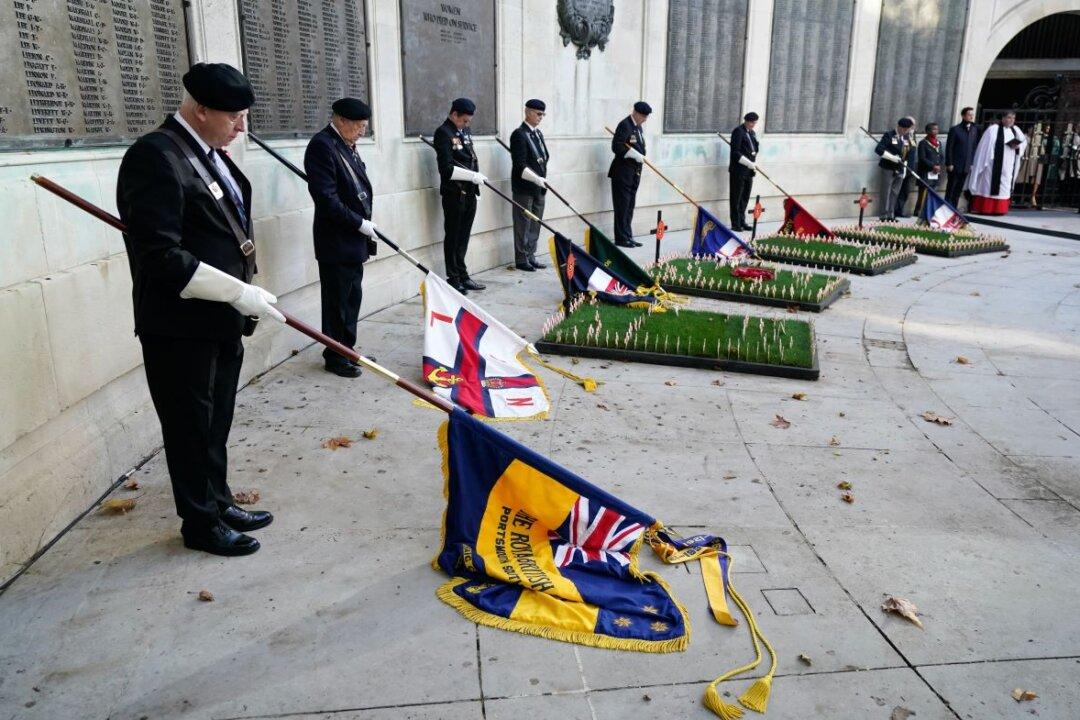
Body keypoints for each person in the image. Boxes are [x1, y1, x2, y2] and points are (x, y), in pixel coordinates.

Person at [116, 63, 281, 557]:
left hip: (220, 320)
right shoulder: (156, 157)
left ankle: (217, 497)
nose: (241, 127)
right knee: (189, 427)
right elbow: (160, 254)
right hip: (179, 325)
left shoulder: (208, 153)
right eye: (233, 116)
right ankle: (200, 523)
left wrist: (241, 293)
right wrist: (234, 290)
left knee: (216, 420)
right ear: (199, 108)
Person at [304, 98, 377, 379]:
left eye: (364, 127)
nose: (361, 131)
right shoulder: (323, 146)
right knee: (336, 302)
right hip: (337, 239)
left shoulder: (345, 145)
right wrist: (359, 223)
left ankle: (347, 349)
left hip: (354, 239)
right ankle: (334, 356)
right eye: (358, 126)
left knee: (351, 298)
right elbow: (326, 198)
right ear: (341, 120)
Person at [434, 98, 487, 294]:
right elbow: (446, 169)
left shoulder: (463, 131)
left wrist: (476, 185)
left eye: (468, 122)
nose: (466, 125)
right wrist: (472, 176)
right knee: (454, 236)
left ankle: (463, 275)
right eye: (464, 120)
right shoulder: (443, 133)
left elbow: (472, 159)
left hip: (470, 193)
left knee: (463, 237)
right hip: (454, 194)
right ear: (454, 114)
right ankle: (453, 278)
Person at [509, 99, 550, 271]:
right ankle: (521, 258)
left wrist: (541, 180)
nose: (541, 117)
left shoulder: (537, 134)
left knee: (535, 223)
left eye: (543, 114)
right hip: (524, 187)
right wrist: (535, 178)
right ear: (528, 112)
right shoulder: (519, 134)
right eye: (538, 114)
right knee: (523, 224)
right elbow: (520, 165)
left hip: (539, 187)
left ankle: (531, 254)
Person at [966, 111, 1028, 215]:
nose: (1011, 120)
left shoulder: (1015, 130)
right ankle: (986, 208)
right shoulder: (993, 129)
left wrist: (1018, 147)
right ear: (1003, 118)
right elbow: (985, 147)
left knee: (1004, 186)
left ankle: (1000, 209)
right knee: (988, 185)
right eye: (1009, 117)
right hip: (992, 164)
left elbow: (1023, 142)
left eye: (1013, 118)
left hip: (1008, 165)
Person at [608, 101, 651, 248]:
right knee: (622, 206)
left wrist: (640, 156)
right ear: (636, 113)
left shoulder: (638, 127)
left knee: (630, 206)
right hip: (622, 173)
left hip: (634, 173)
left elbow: (638, 145)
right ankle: (621, 238)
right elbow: (617, 146)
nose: (645, 119)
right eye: (643, 116)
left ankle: (628, 235)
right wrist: (632, 154)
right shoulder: (625, 125)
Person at [875, 117, 915, 222]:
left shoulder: (906, 138)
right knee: (886, 191)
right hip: (888, 167)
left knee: (895, 192)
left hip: (900, 168)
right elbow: (879, 149)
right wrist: (892, 157)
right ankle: (883, 215)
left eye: (907, 129)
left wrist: (905, 167)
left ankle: (891, 215)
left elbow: (907, 153)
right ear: (899, 126)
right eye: (904, 129)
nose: (905, 131)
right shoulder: (889, 135)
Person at [728, 112, 760, 231]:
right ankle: (735, 223)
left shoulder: (752, 133)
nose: (753, 125)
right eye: (751, 122)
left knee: (744, 198)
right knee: (736, 198)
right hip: (738, 171)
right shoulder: (738, 131)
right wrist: (748, 163)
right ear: (746, 121)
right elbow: (735, 153)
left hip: (749, 171)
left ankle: (742, 221)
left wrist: (753, 163)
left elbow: (753, 150)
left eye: (755, 122)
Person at [945, 107, 978, 207]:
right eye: (969, 114)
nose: (971, 116)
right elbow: (949, 147)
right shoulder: (955, 130)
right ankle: (947, 207)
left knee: (959, 188)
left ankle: (954, 208)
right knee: (951, 187)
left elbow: (973, 148)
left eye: (972, 114)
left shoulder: (974, 129)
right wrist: (949, 162)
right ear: (963, 116)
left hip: (966, 165)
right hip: (955, 164)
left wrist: (971, 162)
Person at [914, 122, 943, 216]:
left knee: (933, 191)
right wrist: (932, 166)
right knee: (923, 192)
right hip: (926, 171)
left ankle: (930, 210)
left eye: (937, 129)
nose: (936, 131)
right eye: (933, 129)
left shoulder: (938, 143)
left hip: (935, 172)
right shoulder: (923, 143)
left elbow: (941, 156)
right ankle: (919, 210)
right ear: (927, 131)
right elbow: (922, 158)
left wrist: (939, 166)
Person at [894, 116, 919, 217]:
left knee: (905, 190)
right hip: (901, 166)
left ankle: (900, 209)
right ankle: (893, 210)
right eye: (911, 125)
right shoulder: (901, 135)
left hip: (910, 167)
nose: (912, 127)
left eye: (913, 125)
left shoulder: (912, 135)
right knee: (897, 189)